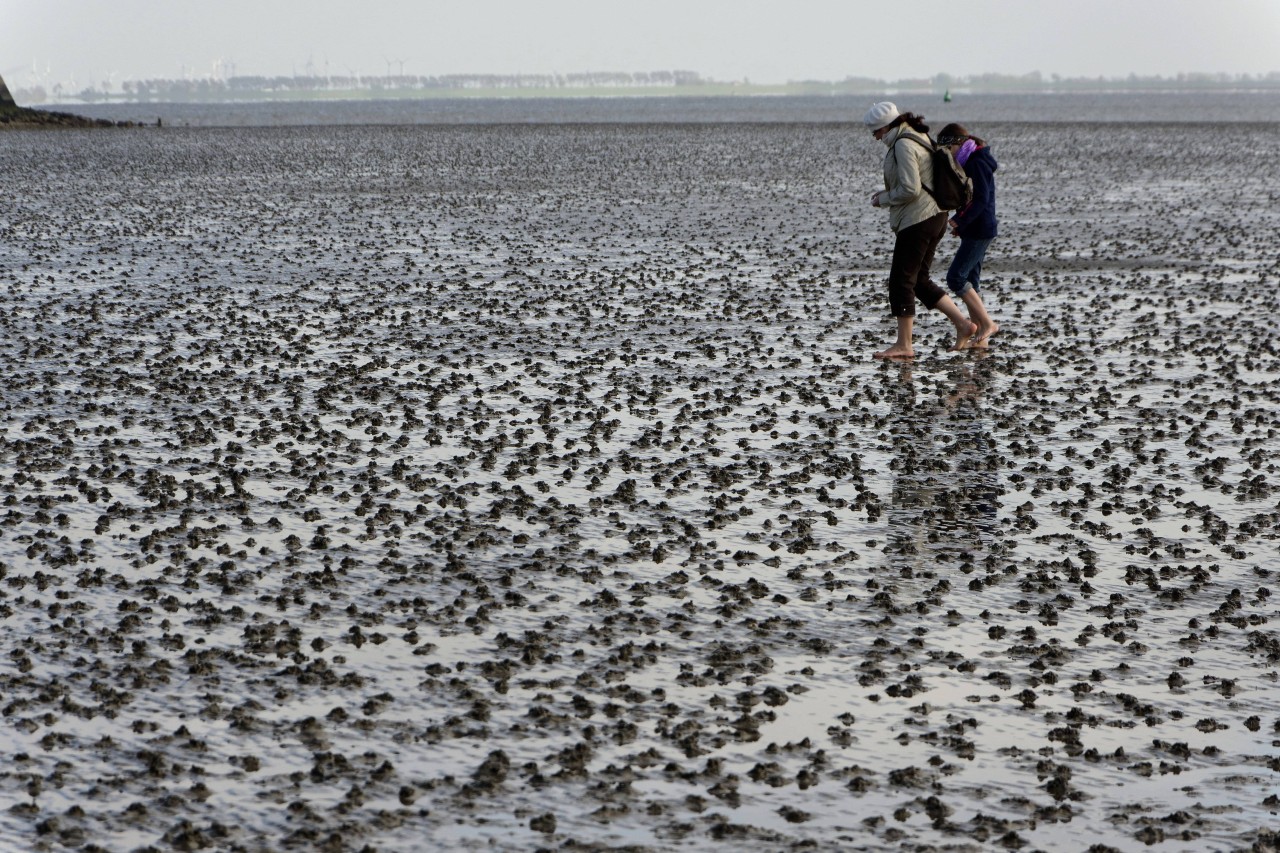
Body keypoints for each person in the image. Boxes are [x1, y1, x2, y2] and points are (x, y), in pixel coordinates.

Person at [863, 101, 976, 359]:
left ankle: (904, 344)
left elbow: (910, 189)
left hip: (918, 219)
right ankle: (963, 324)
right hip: (935, 217)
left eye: (876, 133)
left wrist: (883, 198)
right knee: (920, 281)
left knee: (901, 280)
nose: (876, 138)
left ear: (886, 127)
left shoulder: (903, 144)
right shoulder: (918, 136)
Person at [938, 123, 999, 347]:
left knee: (956, 277)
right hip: (974, 228)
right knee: (971, 281)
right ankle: (980, 339)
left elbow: (981, 200)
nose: (949, 155)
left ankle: (987, 323)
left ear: (958, 143)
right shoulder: (969, 161)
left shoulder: (977, 162)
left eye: (949, 150)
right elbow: (970, 200)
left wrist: (960, 220)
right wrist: (962, 226)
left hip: (981, 229)